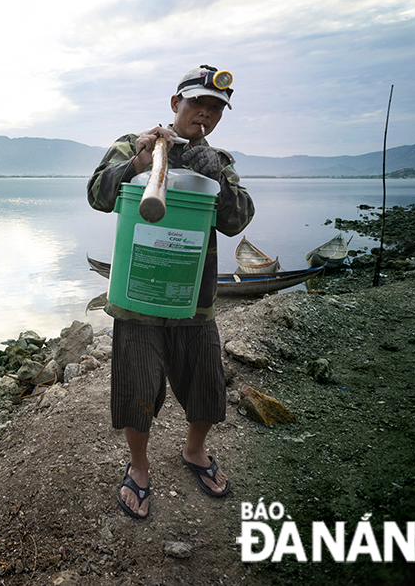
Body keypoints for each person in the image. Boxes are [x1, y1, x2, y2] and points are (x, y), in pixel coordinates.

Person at [86, 65, 255, 519]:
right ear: (175, 103)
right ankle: (139, 467)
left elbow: (237, 221)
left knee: (205, 386)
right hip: (138, 295)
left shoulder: (219, 159)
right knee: (136, 389)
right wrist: (140, 163)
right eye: (197, 102)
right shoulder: (135, 143)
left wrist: (214, 178)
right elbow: (98, 196)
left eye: (215, 107)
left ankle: (194, 452)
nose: (205, 113)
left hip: (194, 299)